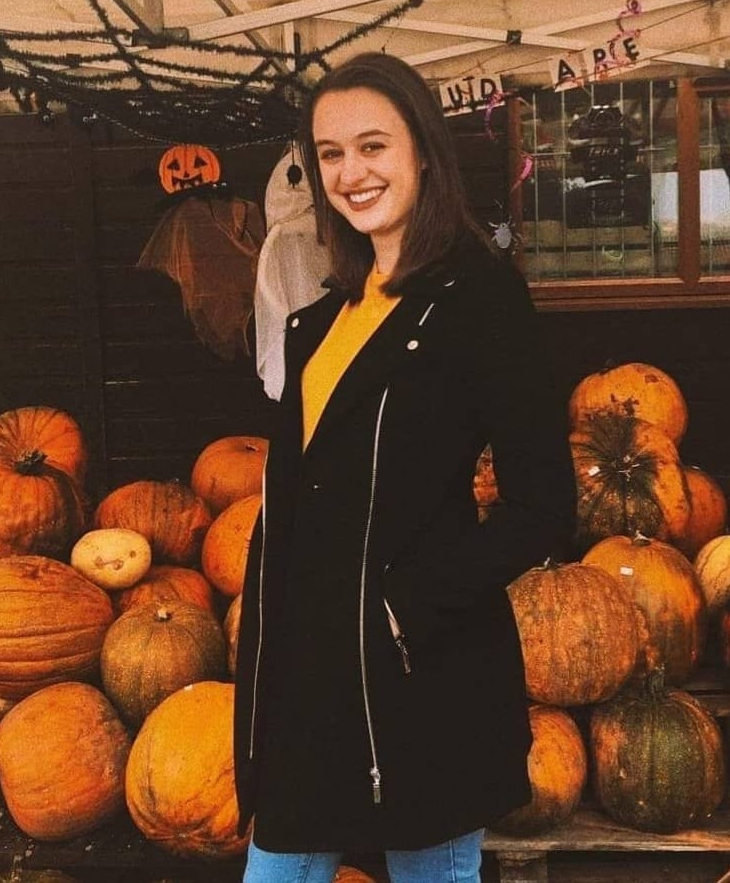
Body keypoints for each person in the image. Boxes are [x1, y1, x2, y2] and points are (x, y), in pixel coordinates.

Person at [233, 51, 576, 883]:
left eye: (373, 146)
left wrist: (404, 605)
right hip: (305, 682)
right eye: (330, 153)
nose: (351, 172)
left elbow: (545, 505)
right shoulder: (320, 319)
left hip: (420, 682)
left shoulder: (481, 302)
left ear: (423, 151)